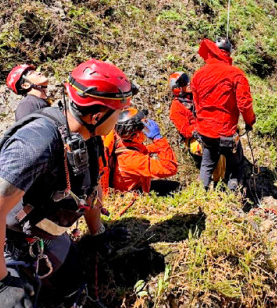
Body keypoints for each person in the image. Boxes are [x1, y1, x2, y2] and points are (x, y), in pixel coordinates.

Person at [0, 59, 136, 308]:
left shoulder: (88, 138)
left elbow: (89, 193)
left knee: (74, 281)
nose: (120, 117)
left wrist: (98, 233)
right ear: (97, 115)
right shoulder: (37, 142)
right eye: (118, 111)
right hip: (2, 240)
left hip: (42, 236)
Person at [191, 38, 256, 191]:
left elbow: (196, 104)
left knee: (207, 164)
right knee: (236, 165)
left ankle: (199, 200)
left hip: (205, 130)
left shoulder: (198, 75)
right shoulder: (236, 74)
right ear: (229, 53)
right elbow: (244, 104)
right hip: (226, 131)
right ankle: (233, 199)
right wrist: (250, 121)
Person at [102, 108, 178, 195]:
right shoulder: (132, 160)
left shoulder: (121, 141)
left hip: (136, 186)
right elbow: (170, 168)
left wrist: (158, 146)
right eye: (143, 128)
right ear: (135, 134)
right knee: (175, 187)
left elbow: (140, 150)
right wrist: (157, 138)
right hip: (134, 196)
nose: (145, 130)